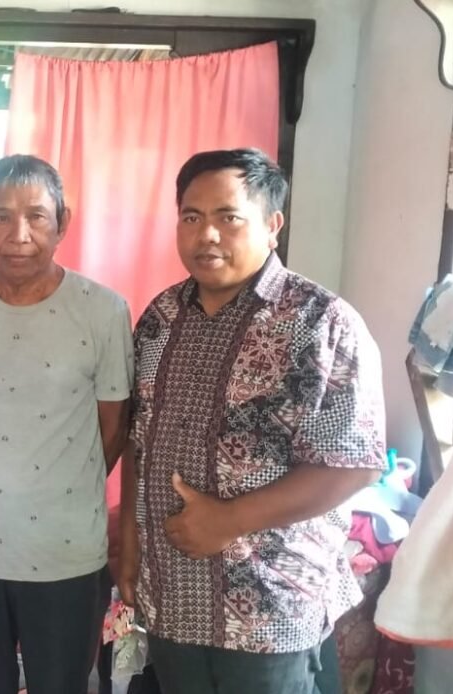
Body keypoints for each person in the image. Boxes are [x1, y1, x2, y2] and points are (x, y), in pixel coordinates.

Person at [119, 148, 387, 694]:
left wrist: (229, 519)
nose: (207, 234)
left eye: (228, 217)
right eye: (191, 217)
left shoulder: (322, 322)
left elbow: (355, 465)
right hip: (171, 593)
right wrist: (128, 539)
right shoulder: (160, 318)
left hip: (270, 607)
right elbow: (137, 440)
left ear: (272, 225)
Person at [0, 154, 132, 693]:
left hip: (66, 551)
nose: (18, 235)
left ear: (62, 222)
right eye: (0, 217)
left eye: (36, 216)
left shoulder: (103, 310)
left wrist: (57, 484)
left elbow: (113, 428)